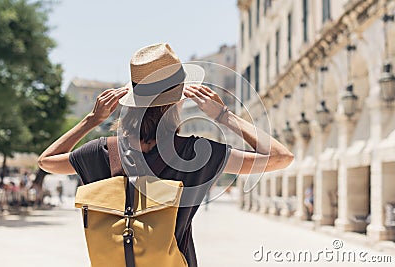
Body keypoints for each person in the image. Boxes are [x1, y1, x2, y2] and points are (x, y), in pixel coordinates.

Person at [38, 43, 293, 267]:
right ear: (176, 102)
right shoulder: (196, 153)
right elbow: (281, 157)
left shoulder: (103, 151)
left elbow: (46, 161)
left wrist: (91, 121)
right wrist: (224, 116)